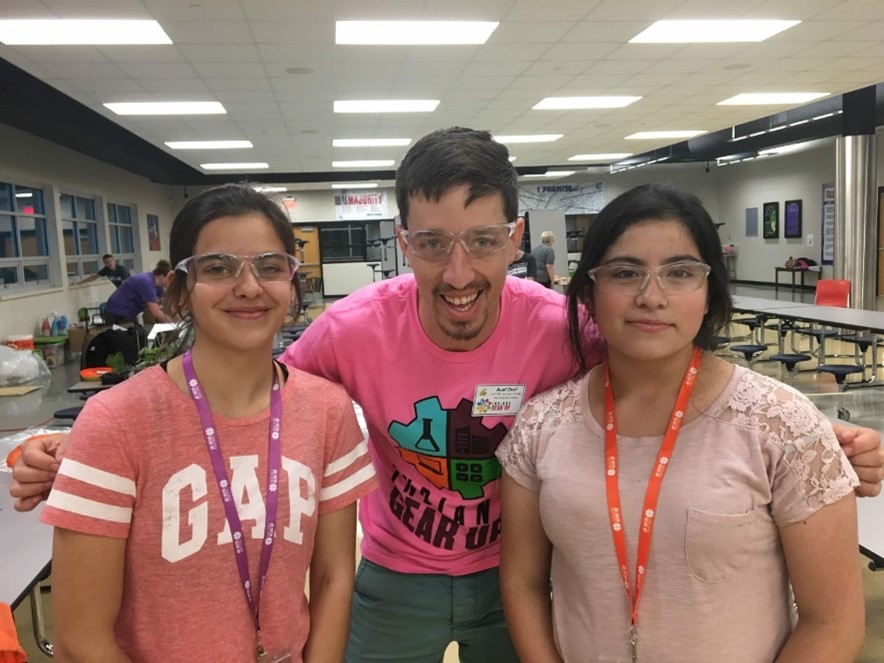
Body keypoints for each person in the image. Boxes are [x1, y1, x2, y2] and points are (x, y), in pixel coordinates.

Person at [10, 129, 884, 661]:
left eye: (479, 242)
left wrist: (808, 442)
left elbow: (667, 363)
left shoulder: (566, 324)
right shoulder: (353, 329)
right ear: (401, 241)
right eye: (431, 244)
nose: (457, 273)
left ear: (515, 236)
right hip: (391, 576)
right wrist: (86, 450)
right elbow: (256, 395)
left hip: (536, 579)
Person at [497, 183, 865, 663]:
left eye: (680, 273)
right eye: (626, 273)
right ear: (588, 291)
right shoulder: (539, 426)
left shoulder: (783, 426)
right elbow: (522, 583)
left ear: (711, 292)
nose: (652, 296)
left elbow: (833, 622)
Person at [38, 184, 377, 661]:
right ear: (178, 290)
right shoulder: (116, 422)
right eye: (218, 267)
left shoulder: (328, 409)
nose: (249, 286)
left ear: (291, 283)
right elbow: (80, 639)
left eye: (269, 266)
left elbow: (332, 577)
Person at [102, 260, 173, 325]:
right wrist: (175, 322)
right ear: (161, 276)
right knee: (134, 336)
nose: (172, 282)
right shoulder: (147, 283)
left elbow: (166, 302)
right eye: (170, 279)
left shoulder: (158, 285)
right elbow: (156, 312)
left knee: (138, 334)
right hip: (117, 311)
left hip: (127, 312)